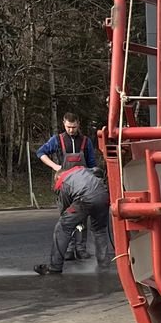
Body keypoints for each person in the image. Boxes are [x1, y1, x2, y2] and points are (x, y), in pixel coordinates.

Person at [36, 112, 97, 261]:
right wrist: (55, 167)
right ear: (64, 124)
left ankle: (80, 249)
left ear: (78, 124)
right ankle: (68, 249)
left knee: (82, 218)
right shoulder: (57, 140)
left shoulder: (86, 141)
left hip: (82, 187)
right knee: (66, 217)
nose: (71, 130)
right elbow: (41, 152)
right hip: (64, 186)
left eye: (74, 127)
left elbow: (92, 164)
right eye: (68, 127)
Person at [35, 166, 114, 276]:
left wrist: (76, 223)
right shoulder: (81, 169)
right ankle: (104, 266)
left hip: (84, 199)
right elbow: (98, 170)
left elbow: (65, 208)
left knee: (62, 227)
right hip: (103, 196)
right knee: (99, 230)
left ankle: (55, 267)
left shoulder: (63, 182)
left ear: (58, 177)